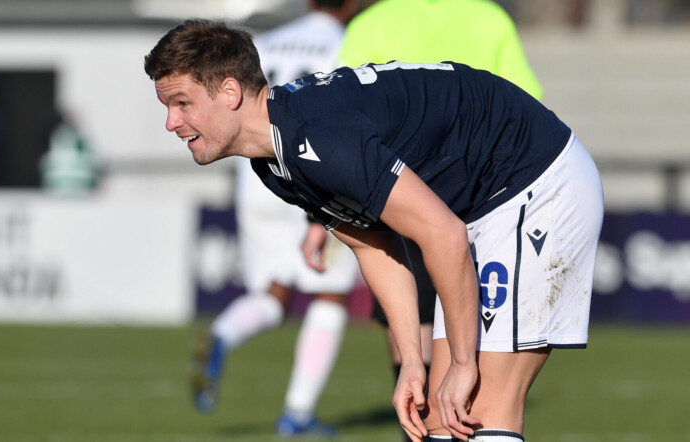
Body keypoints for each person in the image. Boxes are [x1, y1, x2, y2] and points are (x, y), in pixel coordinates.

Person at [144, 19, 603, 442]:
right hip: (486, 204)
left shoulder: (317, 137)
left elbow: (444, 235)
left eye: (182, 103)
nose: (171, 123)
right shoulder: (274, 162)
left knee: (483, 407)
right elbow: (375, 245)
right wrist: (411, 361)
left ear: (229, 91)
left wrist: (464, 362)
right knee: (442, 419)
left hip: (537, 181)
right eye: (167, 107)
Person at [335, 2, 544, 438]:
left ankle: (420, 426)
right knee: (473, 340)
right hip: (481, 197)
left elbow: (339, 118)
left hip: (398, 196)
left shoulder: (375, 21)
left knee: (413, 329)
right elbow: (527, 102)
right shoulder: (488, 17)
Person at [189, 0, 361, 437]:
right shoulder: (350, 44)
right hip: (316, 174)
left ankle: (223, 333)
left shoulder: (262, 44)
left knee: (273, 294)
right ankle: (297, 413)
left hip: (259, 178)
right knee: (329, 295)